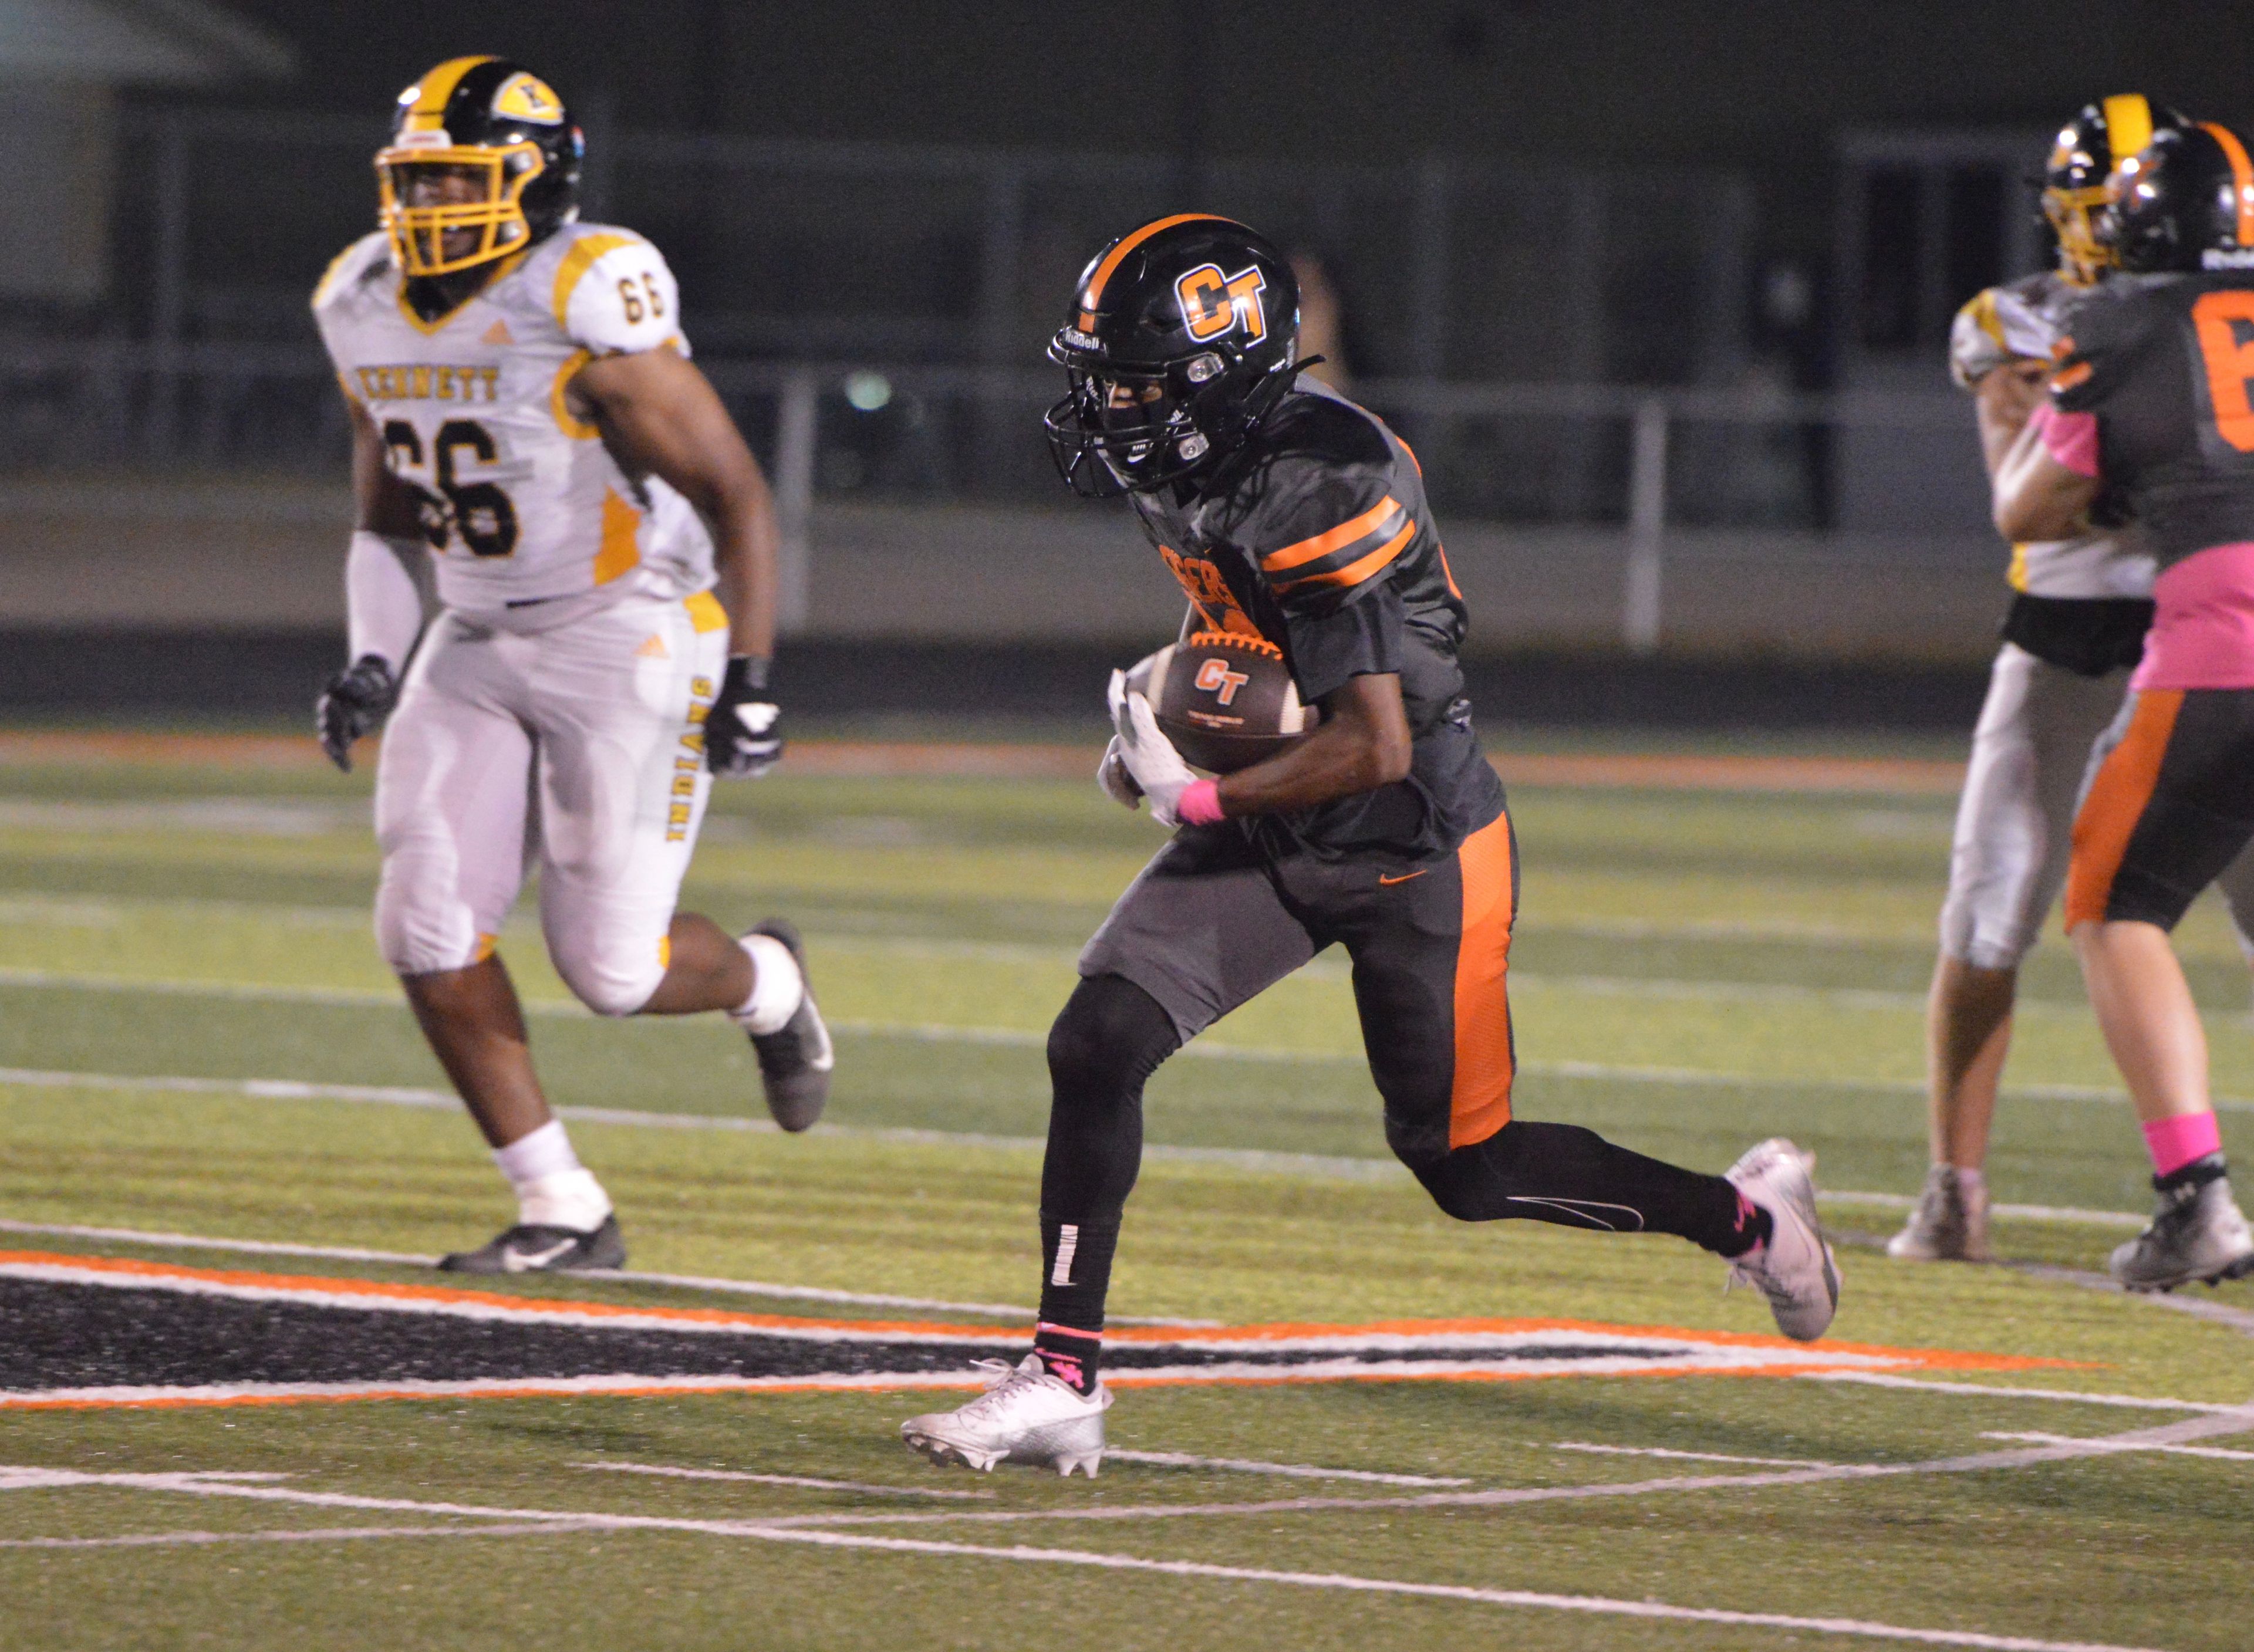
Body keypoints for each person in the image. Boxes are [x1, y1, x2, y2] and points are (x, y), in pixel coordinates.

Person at [898, 215, 1839, 1477]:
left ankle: (1750, 1221)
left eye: (1134, 378)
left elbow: (1372, 743)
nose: (1111, 404)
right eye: (1105, 376)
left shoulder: (1329, 476)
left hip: (1415, 839)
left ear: (1220, 373)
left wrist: (1193, 796)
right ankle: (1063, 1373)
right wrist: (1171, 698)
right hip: (1292, 817)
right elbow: (1245, 630)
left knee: (1468, 1167)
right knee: (1099, 1037)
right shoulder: (1191, 459)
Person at [309, 56, 831, 1274]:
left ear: (534, 181)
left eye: (457, 180)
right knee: (423, 917)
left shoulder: (583, 292)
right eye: (416, 180)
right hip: (479, 632)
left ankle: (765, 979)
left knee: (610, 968)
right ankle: (562, 1203)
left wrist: (753, 670)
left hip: (625, 622)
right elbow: (385, 511)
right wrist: (374, 659)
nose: (427, 207)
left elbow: (738, 490)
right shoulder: (363, 297)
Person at [1892, 96, 2254, 1264]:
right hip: (2072, 637)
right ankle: (1955, 1189)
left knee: (2159, 905)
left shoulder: (2141, 323)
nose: (2102, 232)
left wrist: (2148, 453)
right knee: (1993, 907)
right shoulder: (2020, 321)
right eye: (2088, 211)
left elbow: (2072, 475)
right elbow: (2032, 508)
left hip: (2192, 641)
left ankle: (2195, 1191)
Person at [1992, 120, 2254, 1290]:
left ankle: (2195, 1202)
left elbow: (2029, 511)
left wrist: (2136, 489)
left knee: (2113, 896)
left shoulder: (2124, 325)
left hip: (2222, 640)